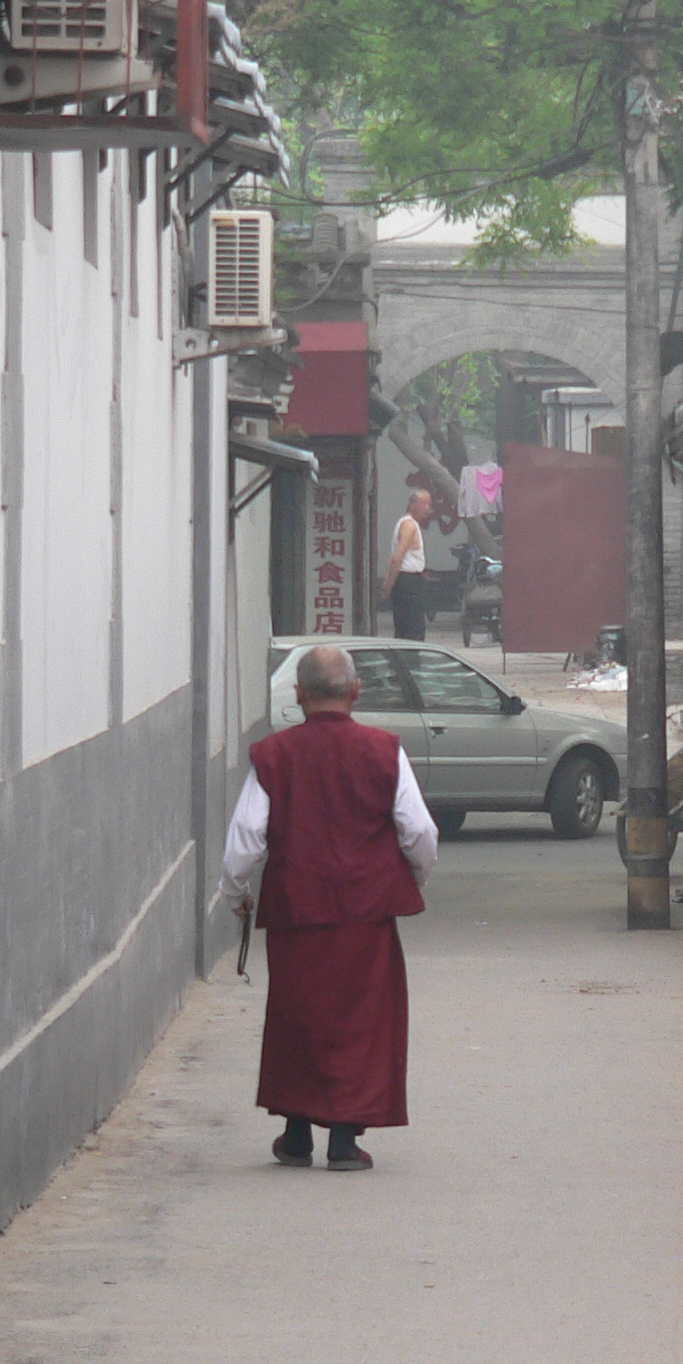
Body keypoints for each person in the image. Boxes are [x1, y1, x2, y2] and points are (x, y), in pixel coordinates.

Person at [220, 645, 439, 1169]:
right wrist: (410, 876)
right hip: (365, 912)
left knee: (299, 1017)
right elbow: (419, 831)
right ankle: (343, 1139)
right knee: (361, 1021)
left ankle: (296, 1135)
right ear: (355, 690)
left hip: (298, 910)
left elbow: (246, 838)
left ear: (299, 696)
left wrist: (236, 893)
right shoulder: (383, 750)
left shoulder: (275, 755)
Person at [384, 488, 433, 640]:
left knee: (407, 627)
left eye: (429, 504)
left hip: (411, 580)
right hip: (407, 581)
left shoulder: (409, 524)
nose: (427, 508)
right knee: (412, 629)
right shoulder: (409, 525)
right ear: (412, 505)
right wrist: (388, 584)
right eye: (423, 504)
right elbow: (397, 558)